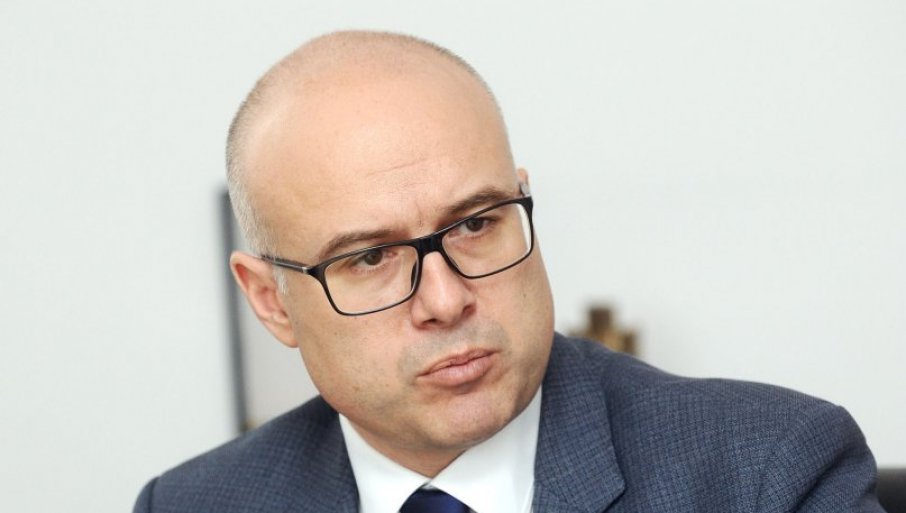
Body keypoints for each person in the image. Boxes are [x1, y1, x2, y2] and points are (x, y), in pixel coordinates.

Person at [134, 31, 884, 513]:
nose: (446, 298)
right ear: (271, 300)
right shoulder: (192, 503)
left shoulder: (769, 472)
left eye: (476, 223)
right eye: (369, 257)